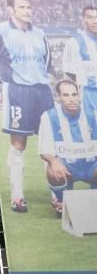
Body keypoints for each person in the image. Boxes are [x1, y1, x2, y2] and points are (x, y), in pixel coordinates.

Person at [0, 0, 53, 214]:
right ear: (10, 10)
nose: (27, 10)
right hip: (18, 92)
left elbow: (48, 60)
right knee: (18, 144)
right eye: (22, 6)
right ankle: (18, 197)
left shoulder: (40, 32)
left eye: (29, 6)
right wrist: (7, 82)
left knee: (50, 144)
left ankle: (57, 196)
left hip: (43, 91)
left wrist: (41, 77)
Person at [38, 80, 97, 216]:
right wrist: (53, 161)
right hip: (68, 168)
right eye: (65, 95)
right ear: (58, 98)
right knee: (52, 169)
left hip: (91, 165)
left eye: (74, 94)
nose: (71, 99)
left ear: (79, 95)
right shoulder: (49, 116)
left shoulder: (93, 114)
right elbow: (45, 151)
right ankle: (60, 201)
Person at [62, 6, 97, 115]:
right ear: (83, 19)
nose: (94, 21)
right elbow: (68, 74)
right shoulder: (75, 42)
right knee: (89, 129)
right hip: (87, 94)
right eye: (90, 17)